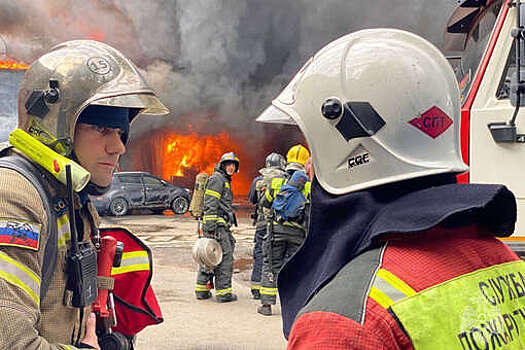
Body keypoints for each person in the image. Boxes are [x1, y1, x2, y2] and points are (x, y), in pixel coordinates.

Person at [256, 28, 525, 349]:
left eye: (314, 147)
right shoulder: (505, 262)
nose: (310, 165)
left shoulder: (343, 322)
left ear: (351, 145)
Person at [0, 40, 168, 349]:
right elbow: (12, 343)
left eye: (121, 134)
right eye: (102, 130)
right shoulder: (14, 197)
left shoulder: (69, 197)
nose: (119, 147)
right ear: (56, 126)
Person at [257, 145, 311, 316]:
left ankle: (266, 305)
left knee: (271, 264)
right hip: (297, 234)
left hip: (276, 231)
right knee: (293, 267)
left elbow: (264, 203)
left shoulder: (276, 182)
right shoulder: (308, 186)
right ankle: (292, 306)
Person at [195, 152, 240, 303]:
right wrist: (211, 227)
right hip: (217, 226)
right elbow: (210, 203)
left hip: (219, 225)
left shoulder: (223, 180)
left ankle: (202, 290)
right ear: (223, 165)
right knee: (225, 258)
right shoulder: (217, 179)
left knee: (210, 257)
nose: (231, 167)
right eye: (228, 164)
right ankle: (223, 293)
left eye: (233, 165)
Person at [247, 152, 286, 299]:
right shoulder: (285, 179)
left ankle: (256, 288)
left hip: (261, 224)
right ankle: (277, 289)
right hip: (278, 224)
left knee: (259, 254)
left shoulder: (258, 180)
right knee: (276, 257)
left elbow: (252, 199)